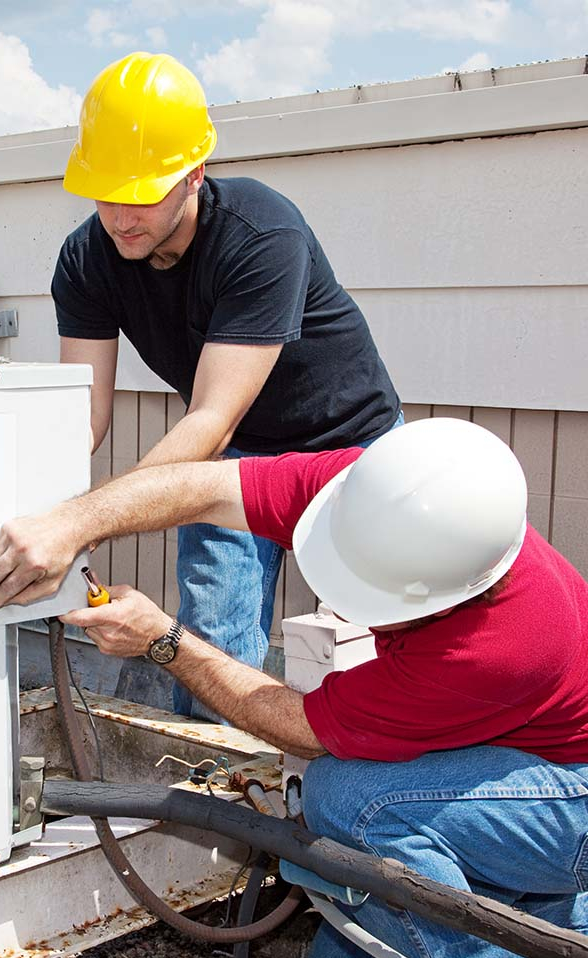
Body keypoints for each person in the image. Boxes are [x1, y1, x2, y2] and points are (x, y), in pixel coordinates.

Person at [0, 418, 588, 958]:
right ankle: (535, 909)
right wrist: (74, 522)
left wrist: (163, 639)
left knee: (351, 803)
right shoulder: (378, 491)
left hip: (570, 793)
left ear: (447, 599)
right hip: (520, 759)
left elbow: (299, 726)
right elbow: (203, 486)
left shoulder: (496, 649)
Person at [54, 51, 402, 717]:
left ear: (193, 175)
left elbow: (210, 416)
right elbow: (85, 413)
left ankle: (373, 786)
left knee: (389, 630)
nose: (123, 217)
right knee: (210, 637)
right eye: (107, 193)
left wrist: (85, 521)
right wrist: (44, 505)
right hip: (236, 455)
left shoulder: (260, 232)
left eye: (145, 193)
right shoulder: (86, 258)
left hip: (352, 449)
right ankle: (214, 797)